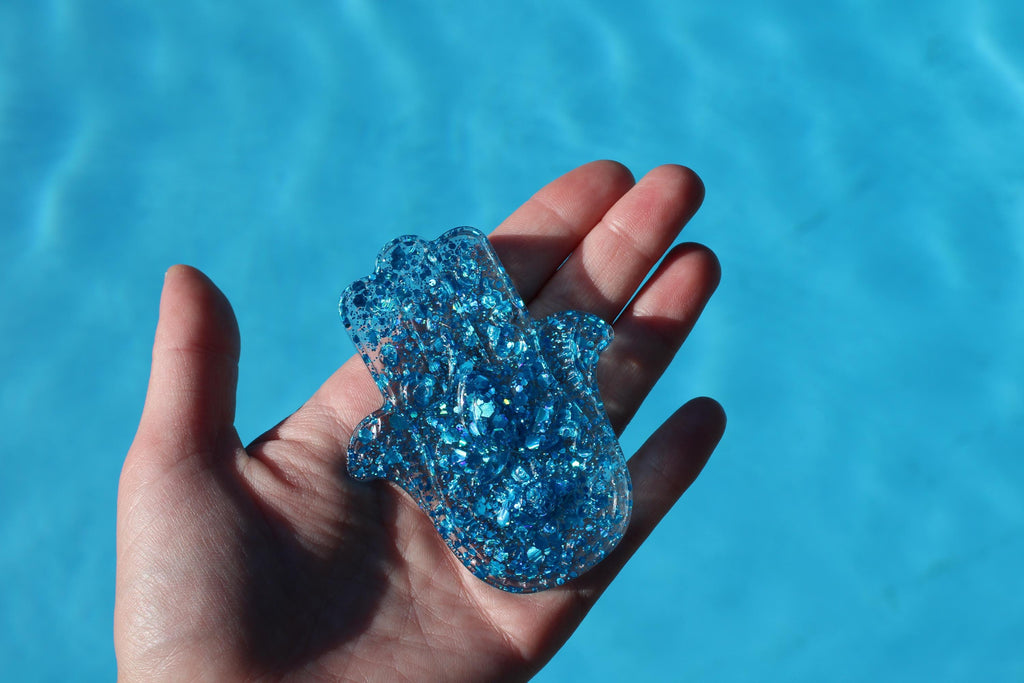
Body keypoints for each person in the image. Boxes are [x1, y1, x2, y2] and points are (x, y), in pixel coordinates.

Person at [115, 161, 726, 681]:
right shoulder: (462, 392)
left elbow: (389, 440)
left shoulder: (496, 378)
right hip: (521, 508)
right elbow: (381, 445)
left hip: (552, 498)